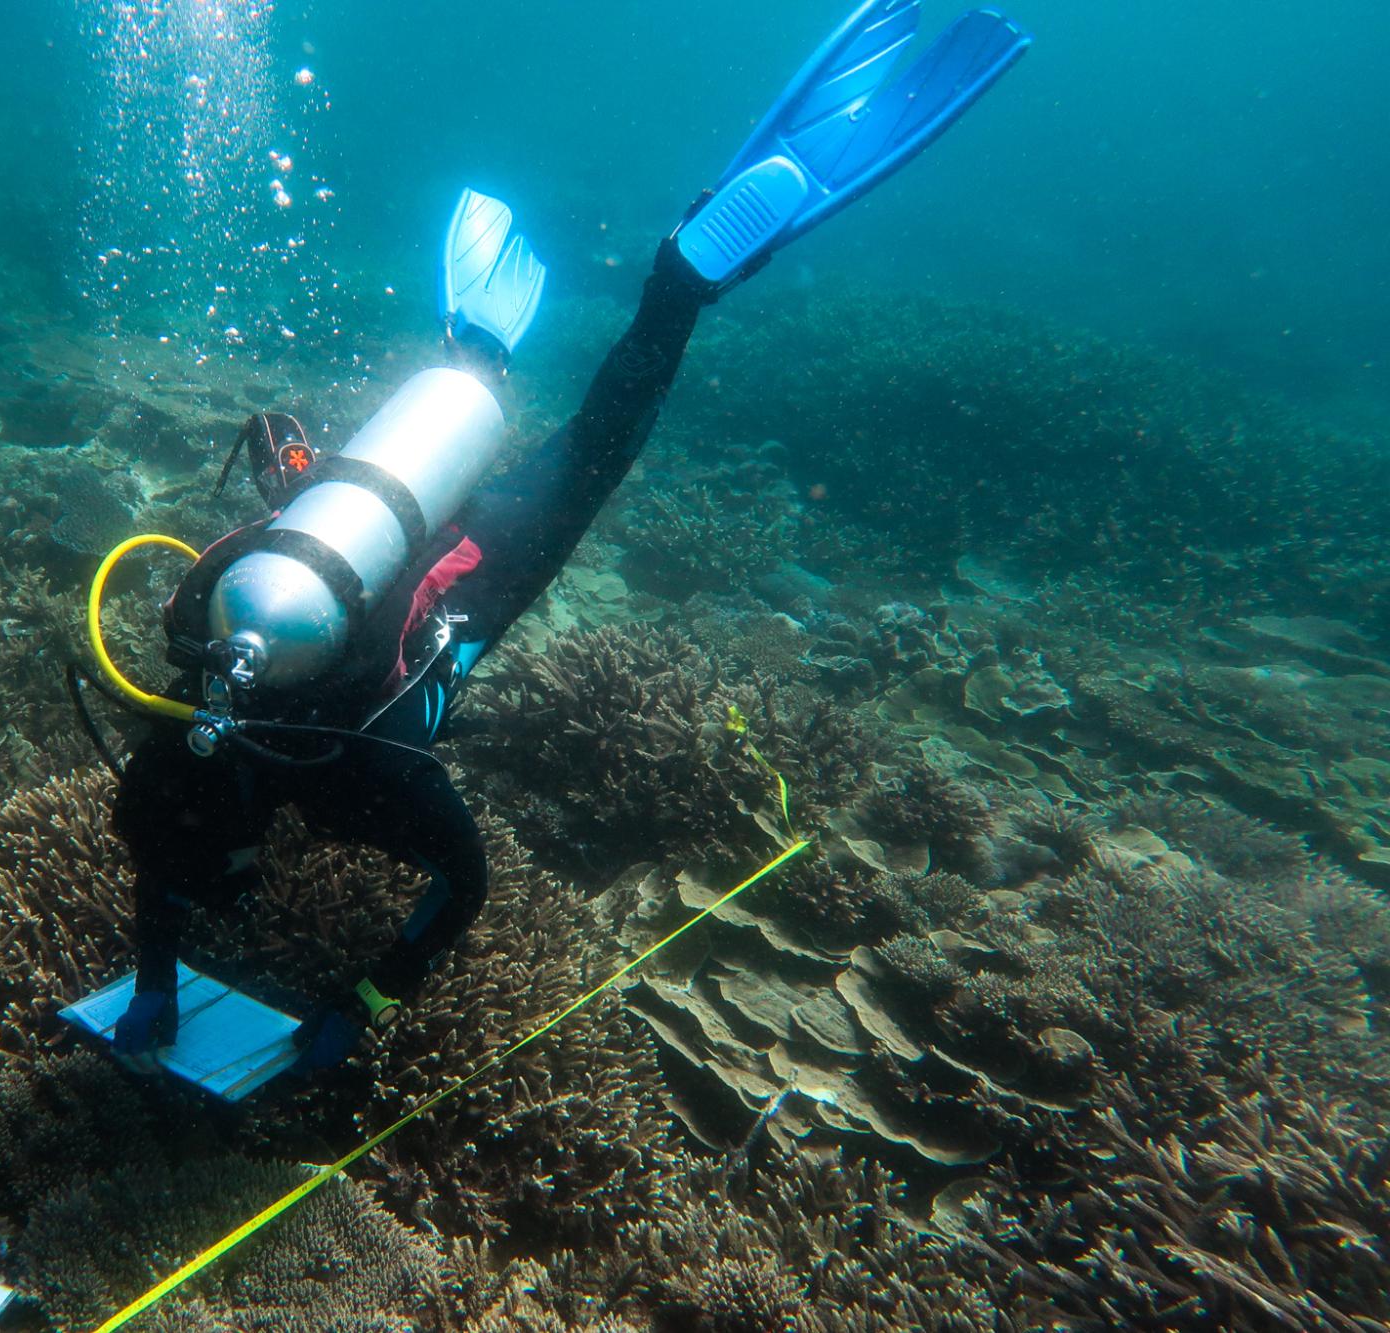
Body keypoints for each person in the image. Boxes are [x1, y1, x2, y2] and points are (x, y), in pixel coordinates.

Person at [106, 0, 1032, 1075]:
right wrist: (177, 983)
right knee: (548, 442)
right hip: (344, 528)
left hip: (470, 572)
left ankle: (676, 288)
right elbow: (177, 872)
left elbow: (456, 885)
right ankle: (482, 346)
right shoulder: (191, 718)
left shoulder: (352, 780)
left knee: (599, 447)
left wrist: (358, 999)